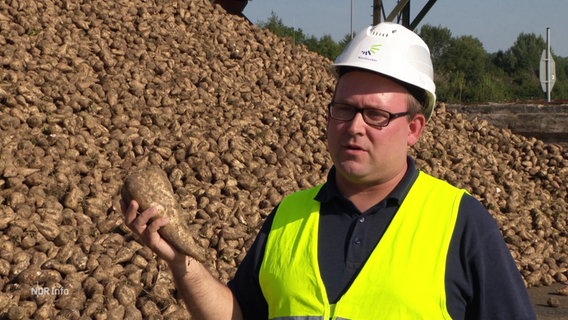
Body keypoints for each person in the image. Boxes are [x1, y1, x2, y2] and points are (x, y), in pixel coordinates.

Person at [122, 22, 536, 319]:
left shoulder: (461, 223)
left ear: (413, 128)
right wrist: (182, 262)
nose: (354, 127)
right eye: (343, 109)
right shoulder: (288, 217)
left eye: (375, 115)